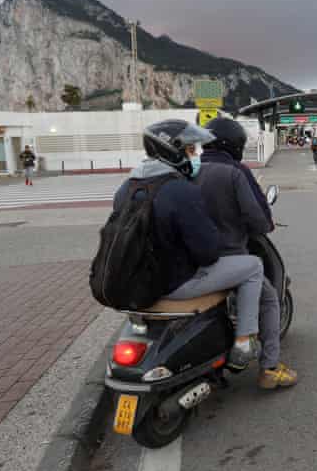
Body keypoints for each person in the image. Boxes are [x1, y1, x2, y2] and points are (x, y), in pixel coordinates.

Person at [112, 119, 264, 370]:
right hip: (175, 284)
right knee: (253, 267)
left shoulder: (126, 188)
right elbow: (208, 253)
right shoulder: (181, 190)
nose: (196, 156)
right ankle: (243, 343)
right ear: (173, 151)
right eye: (192, 150)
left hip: (137, 281)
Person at [200, 117, 298, 389]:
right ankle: (270, 368)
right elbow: (259, 219)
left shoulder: (189, 170)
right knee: (268, 298)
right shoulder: (235, 172)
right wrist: (265, 224)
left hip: (193, 262)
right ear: (235, 145)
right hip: (230, 258)